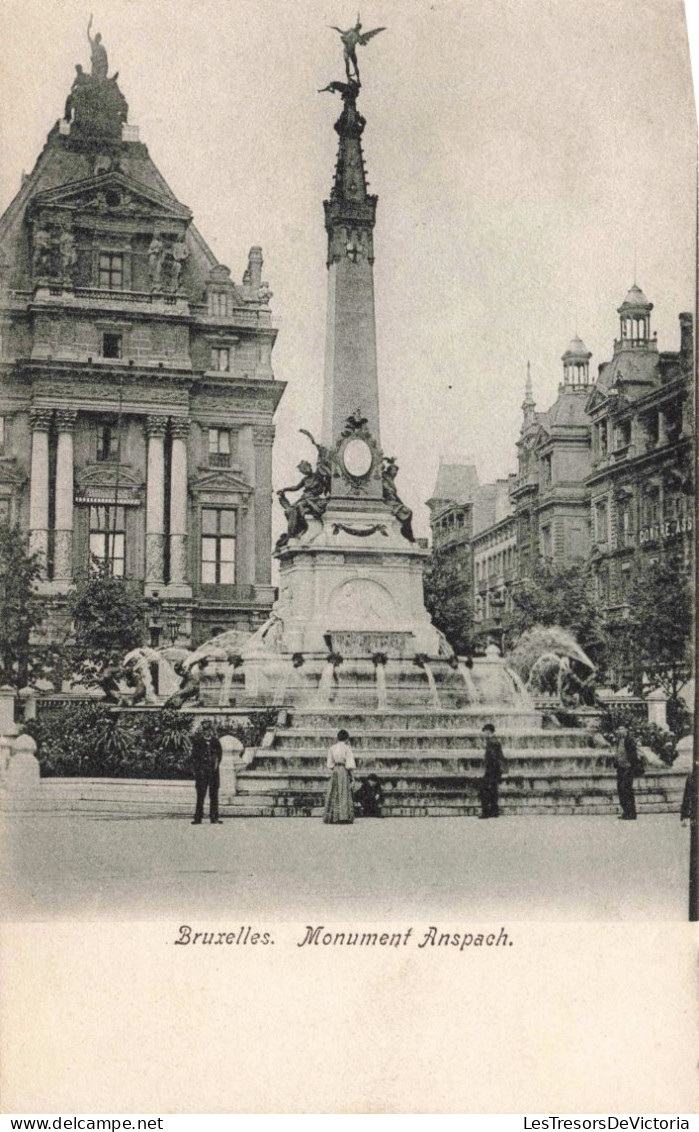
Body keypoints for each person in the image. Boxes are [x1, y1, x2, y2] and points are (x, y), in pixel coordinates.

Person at [191, 719, 223, 825]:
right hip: (202, 773)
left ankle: (214, 817)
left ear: (211, 730)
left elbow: (220, 756)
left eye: (208, 729)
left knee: (214, 796)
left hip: (213, 773)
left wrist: (215, 764)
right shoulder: (198, 742)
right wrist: (198, 770)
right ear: (202, 731)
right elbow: (194, 758)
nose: (207, 732)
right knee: (200, 796)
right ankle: (198, 818)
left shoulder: (215, 742)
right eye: (205, 730)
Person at [323, 729, 356, 824]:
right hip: (343, 770)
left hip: (335, 770)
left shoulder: (332, 748)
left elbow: (329, 764)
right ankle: (344, 816)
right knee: (344, 792)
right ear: (346, 739)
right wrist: (352, 778)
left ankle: (333, 816)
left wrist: (335, 769)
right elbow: (350, 764)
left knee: (334, 792)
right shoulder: (347, 748)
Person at [479, 723, 508, 819]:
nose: (484, 734)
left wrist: (488, 769)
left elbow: (493, 758)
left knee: (485, 790)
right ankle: (494, 811)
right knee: (493, 790)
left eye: (485, 731)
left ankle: (486, 812)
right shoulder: (495, 741)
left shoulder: (492, 742)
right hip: (495, 770)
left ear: (488, 731)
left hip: (492, 770)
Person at [614, 724, 639, 820]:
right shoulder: (619, 740)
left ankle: (631, 813)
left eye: (622, 729)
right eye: (618, 729)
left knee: (627, 790)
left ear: (626, 730)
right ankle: (625, 812)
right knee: (621, 790)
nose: (620, 731)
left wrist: (631, 767)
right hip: (620, 768)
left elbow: (633, 755)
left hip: (628, 768)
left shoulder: (629, 740)